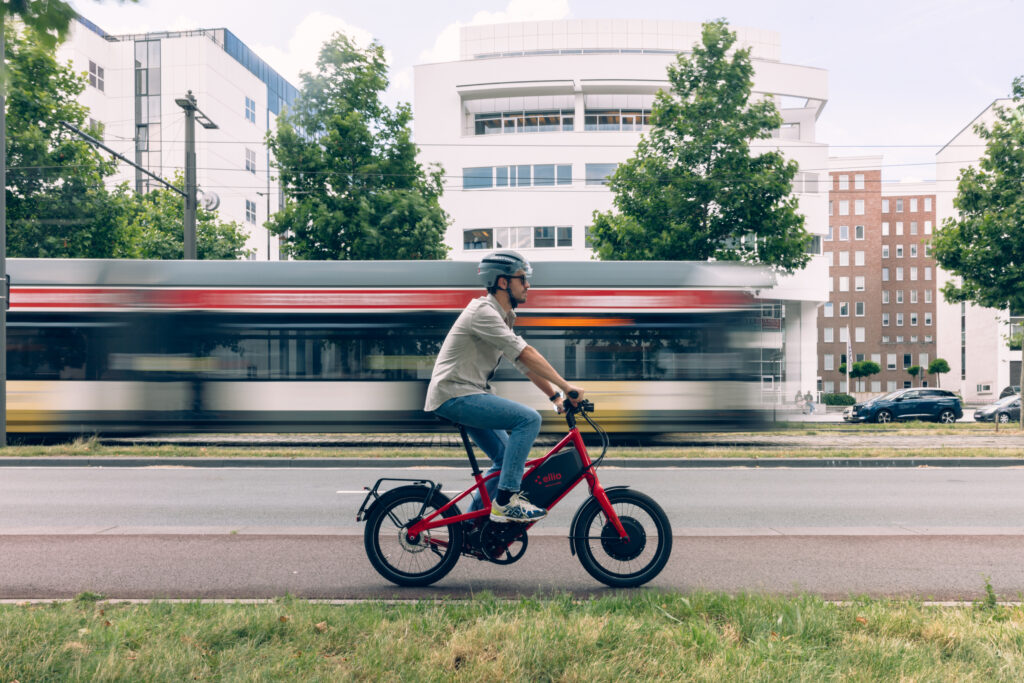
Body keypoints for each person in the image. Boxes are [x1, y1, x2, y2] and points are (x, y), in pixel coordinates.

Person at [425, 250, 584, 523]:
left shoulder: (502, 317)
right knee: (528, 419)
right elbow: (526, 353)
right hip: (456, 394)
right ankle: (506, 500)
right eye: (523, 279)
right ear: (502, 282)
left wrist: (556, 396)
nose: (528, 286)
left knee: (503, 459)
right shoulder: (483, 312)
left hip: (466, 393)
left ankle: (474, 524)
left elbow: (522, 363)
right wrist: (568, 387)